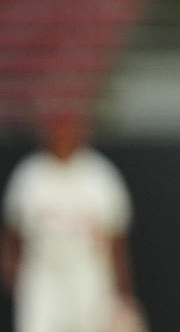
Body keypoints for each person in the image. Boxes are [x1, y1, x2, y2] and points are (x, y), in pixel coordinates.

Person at [1, 109, 144, 332]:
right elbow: (13, 230)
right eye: (57, 130)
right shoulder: (30, 175)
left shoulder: (99, 176)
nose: (62, 136)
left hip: (88, 272)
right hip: (42, 273)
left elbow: (116, 240)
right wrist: (10, 266)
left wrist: (123, 291)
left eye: (68, 130)